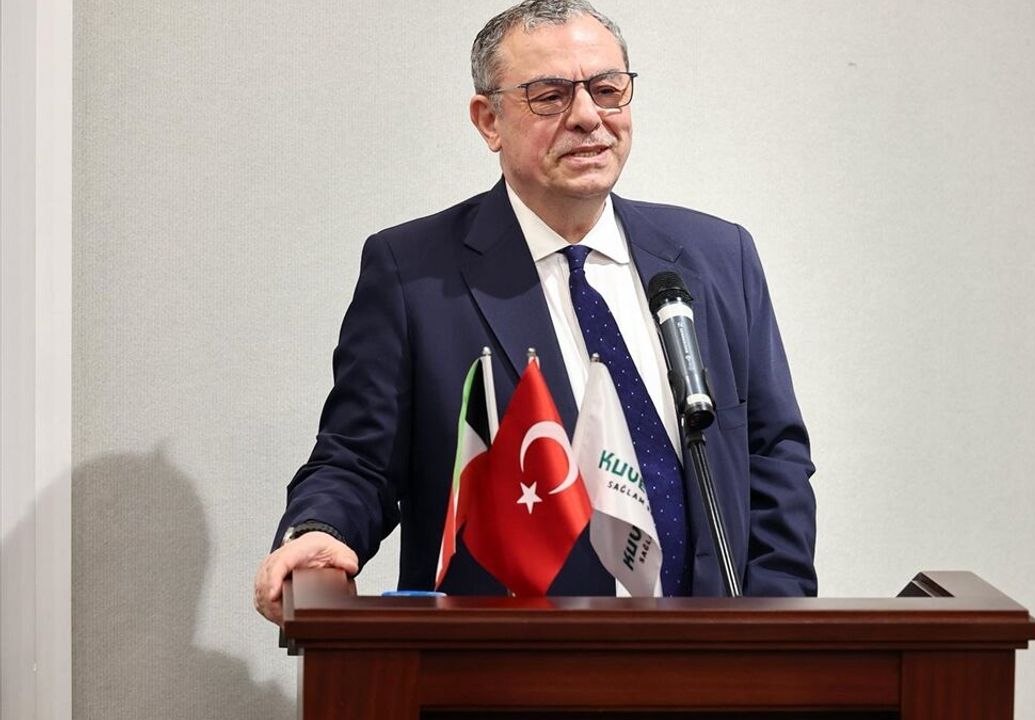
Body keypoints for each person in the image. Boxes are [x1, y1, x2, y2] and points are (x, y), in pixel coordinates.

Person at [253, 0, 816, 625]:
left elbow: (773, 453)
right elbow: (357, 458)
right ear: (488, 120)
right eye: (550, 96)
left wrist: (778, 625)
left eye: (608, 90)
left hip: (715, 652)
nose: (588, 117)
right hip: (509, 653)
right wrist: (320, 530)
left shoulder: (717, 255)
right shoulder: (413, 273)